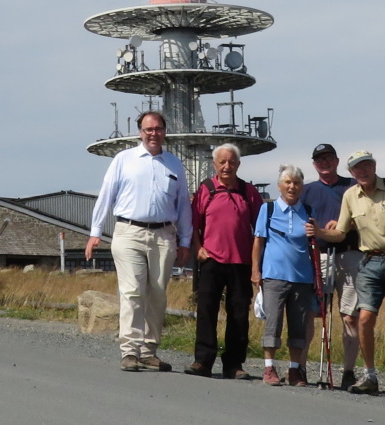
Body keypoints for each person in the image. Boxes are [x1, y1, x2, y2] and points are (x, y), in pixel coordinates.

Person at [305, 150, 385, 402]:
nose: (361, 171)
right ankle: (370, 375)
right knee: (363, 319)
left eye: (365, 166)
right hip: (369, 260)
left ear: (373, 166)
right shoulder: (350, 195)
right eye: (356, 168)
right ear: (351, 172)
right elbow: (340, 232)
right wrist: (318, 232)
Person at [85, 111, 192, 373]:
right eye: (148, 129)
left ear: (165, 131)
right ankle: (129, 350)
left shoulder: (174, 165)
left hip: (164, 235)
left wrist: (186, 239)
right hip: (128, 232)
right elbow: (107, 194)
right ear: (140, 132)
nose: (153, 133)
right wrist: (95, 231)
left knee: (157, 294)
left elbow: (183, 205)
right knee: (132, 291)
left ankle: (148, 351)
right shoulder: (124, 160)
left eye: (158, 129)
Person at [184, 143, 263, 379]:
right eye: (222, 162)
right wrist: (198, 249)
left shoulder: (248, 192)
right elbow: (194, 224)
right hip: (211, 260)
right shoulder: (206, 189)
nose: (227, 166)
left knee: (239, 313)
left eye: (231, 162)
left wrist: (257, 264)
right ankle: (203, 361)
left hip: (241, 261)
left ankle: (233, 364)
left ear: (238, 164)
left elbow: (259, 229)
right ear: (214, 164)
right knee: (206, 310)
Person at [299, 143, 363, 390]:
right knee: (313, 314)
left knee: (350, 316)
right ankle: (301, 367)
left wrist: (345, 225)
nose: (324, 163)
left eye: (328, 158)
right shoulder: (306, 191)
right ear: (314, 164)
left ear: (337, 161)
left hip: (349, 255)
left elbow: (363, 217)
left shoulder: (352, 187)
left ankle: (348, 371)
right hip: (318, 255)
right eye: (319, 160)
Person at [251, 165, 314, 387]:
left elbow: (313, 243)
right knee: (273, 323)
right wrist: (255, 271)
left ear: (301, 187)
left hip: (302, 278)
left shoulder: (308, 211)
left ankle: (295, 371)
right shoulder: (267, 210)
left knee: (298, 326)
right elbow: (258, 242)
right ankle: (269, 368)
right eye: (287, 182)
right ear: (279, 186)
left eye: (296, 183)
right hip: (274, 276)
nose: (292, 187)